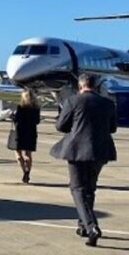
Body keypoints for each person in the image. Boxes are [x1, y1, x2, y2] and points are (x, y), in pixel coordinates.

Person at [50, 74, 117, 246]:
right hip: (100, 150)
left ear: (80, 86)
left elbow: (60, 126)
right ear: (94, 86)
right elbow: (113, 128)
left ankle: (91, 225)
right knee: (90, 188)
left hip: (77, 149)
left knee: (77, 188)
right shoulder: (108, 103)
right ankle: (84, 225)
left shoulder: (73, 101)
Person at [9, 90, 41, 184]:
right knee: (28, 154)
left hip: (20, 132)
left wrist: (12, 116)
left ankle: (24, 171)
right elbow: (37, 121)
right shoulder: (36, 108)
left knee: (18, 153)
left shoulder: (20, 107)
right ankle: (28, 172)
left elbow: (16, 119)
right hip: (31, 132)